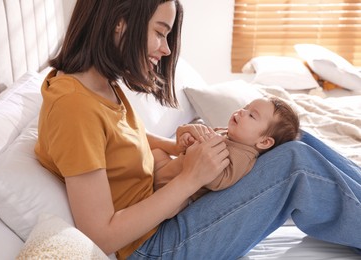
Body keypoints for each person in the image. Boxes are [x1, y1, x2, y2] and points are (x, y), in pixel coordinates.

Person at [34, 0, 361, 259]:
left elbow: (111, 138)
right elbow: (99, 235)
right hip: (153, 249)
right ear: (120, 22)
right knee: (295, 162)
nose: (165, 49)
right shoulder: (73, 106)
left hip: (162, 222)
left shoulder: (100, 86)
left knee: (299, 139)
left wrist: (174, 147)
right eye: (161, 32)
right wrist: (191, 177)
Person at [153, 96, 300, 203]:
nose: (242, 112)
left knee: (174, 208)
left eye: (251, 115)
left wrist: (204, 152)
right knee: (156, 152)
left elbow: (221, 181)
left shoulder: (242, 156)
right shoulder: (229, 133)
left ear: (264, 141)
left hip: (174, 191)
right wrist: (190, 141)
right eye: (246, 107)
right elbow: (201, 139)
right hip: (168, 169)